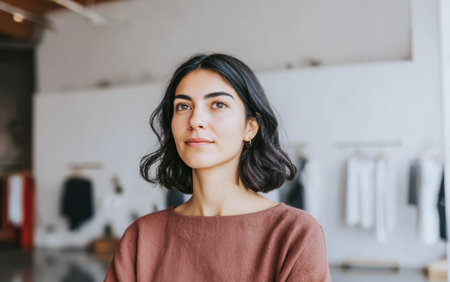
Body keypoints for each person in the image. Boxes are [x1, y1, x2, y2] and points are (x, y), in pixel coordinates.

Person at [104, 53, 331, 281]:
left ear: (250, 127)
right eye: (183, 106)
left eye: (218, 104)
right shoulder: (141, 237)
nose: (195, 120)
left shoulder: (294, 233)